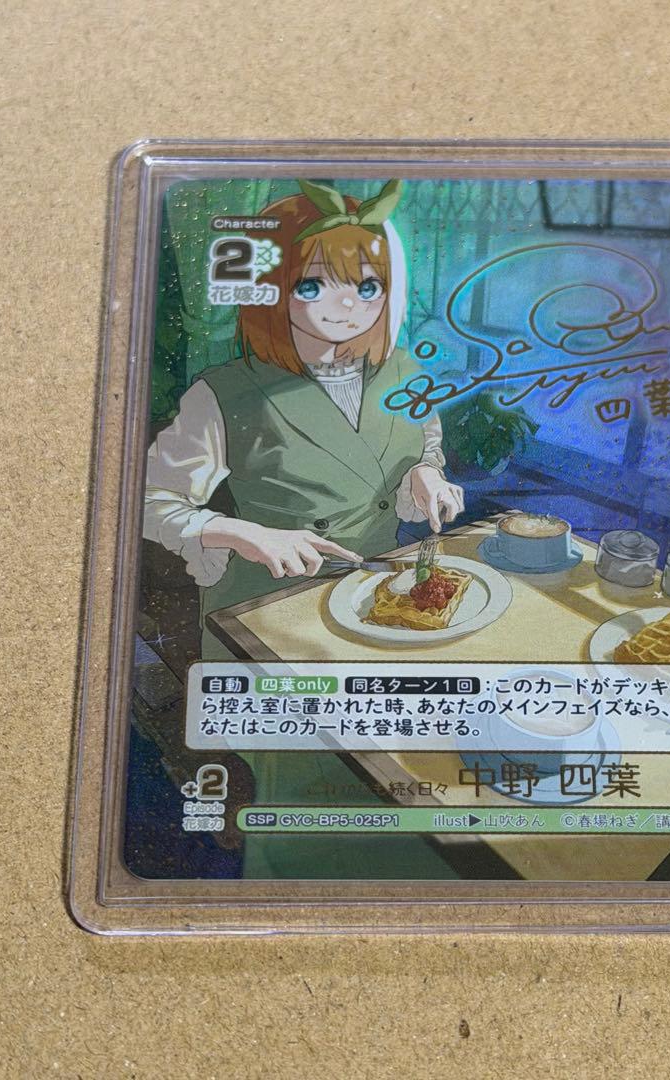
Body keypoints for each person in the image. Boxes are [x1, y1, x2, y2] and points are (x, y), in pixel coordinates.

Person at [143, 180, 464, 878]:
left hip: (380, 600)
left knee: (396, 763)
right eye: (314, 286)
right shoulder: (224, 392)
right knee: (301, 779)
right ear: (271, 290)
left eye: (368, 287)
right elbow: (153, 500)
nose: (347, 306)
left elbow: (424, 449)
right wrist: (242, 532)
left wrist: (424, 477)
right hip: (268, 611)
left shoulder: (405, 369)